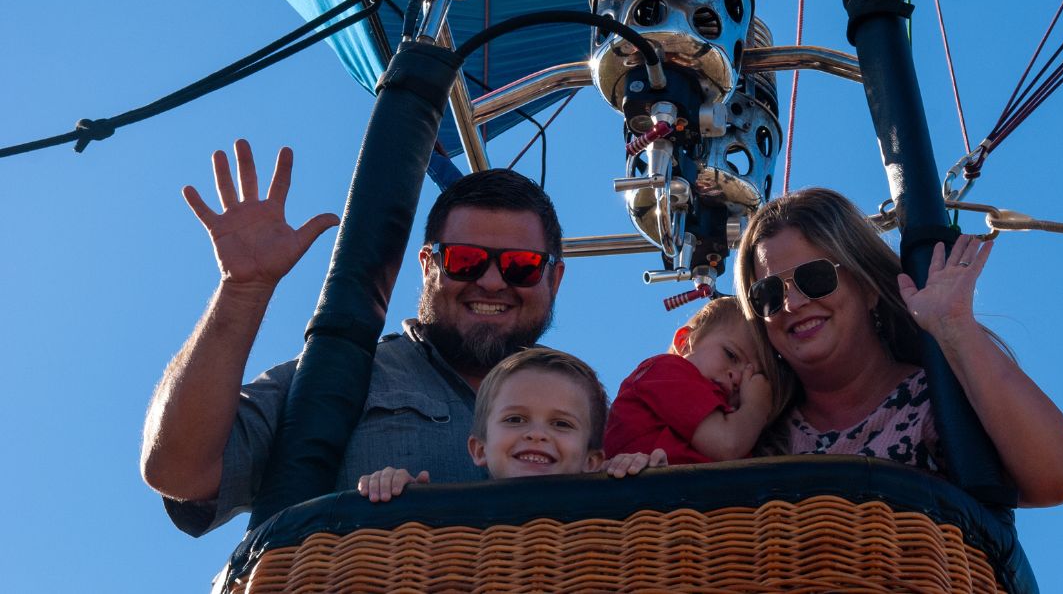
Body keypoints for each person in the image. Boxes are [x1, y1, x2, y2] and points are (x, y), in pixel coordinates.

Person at [140, 139, 569, 536]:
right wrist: (242, 289)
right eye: (466, 260)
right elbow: (178, 470)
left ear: (555, 278)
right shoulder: (337, 375)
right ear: (428, 266)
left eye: (522, 266)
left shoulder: (579, 405)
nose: (492, 283)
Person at [732, 188, 1063, 507]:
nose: (793, 304)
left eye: (815, 278)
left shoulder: (941, 400)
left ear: (867, 287)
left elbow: (1059, 476)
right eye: (769, 294)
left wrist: (955, 328)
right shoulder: (754, 431)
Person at [358, 348, 668, 502]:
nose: (536, 434)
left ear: (592, 460)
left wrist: (644, 480)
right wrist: (394, 494)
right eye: (515, 419)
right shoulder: (450, 520)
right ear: (479, 448)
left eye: (561, 423)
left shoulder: (607, 515)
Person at [603, 298, 785, 465]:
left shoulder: (738, 423)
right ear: (684, 341)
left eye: (750, 378)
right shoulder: (667, 371)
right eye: (731, 355)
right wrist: (756, 405)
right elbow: (727, 444)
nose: (738, 378)